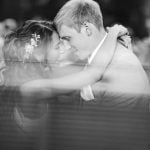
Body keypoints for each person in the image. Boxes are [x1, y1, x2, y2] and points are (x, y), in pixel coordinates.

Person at [22, 0, 150, 107]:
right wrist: (112, 34)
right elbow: (92, 74)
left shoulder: (119, 68)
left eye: (67, 38)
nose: (65, 48)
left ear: (87, 30)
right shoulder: (31, 87)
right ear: (39, 56)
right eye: (57, 46)